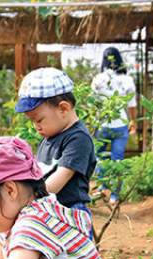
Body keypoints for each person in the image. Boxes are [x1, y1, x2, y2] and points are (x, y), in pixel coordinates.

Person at [15, 67, 96, 221]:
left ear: (63, 108)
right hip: (49, 209)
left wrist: (28, 200)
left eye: (39, 120)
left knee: (74, 246)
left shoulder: (78, 138)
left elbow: (61, 176)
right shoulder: (50, 136)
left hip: (70, 212)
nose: (36, 126)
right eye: (32, 121)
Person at [91, 47, 137, 205]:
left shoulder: (98, 79)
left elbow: (94, 104)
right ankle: (115, 196)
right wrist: (133, 121)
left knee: (98, 157)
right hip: (121, 124)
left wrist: (94, 121)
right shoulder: (127, 80)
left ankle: (102, 187)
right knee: (118, 161)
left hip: (102, 123)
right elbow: (131, 104)